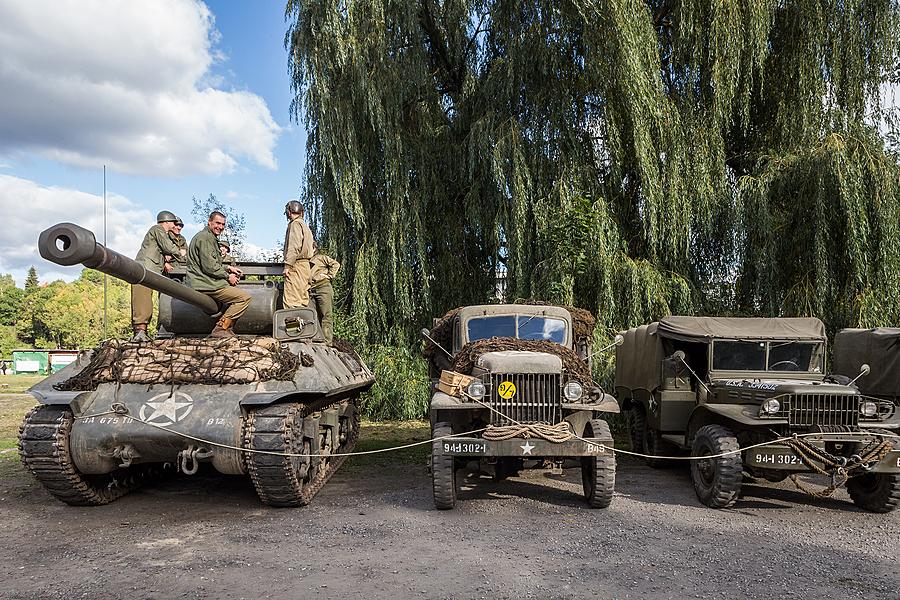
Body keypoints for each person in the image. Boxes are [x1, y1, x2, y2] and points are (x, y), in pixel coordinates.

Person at [186, 211, 252, 338]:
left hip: (205, 281)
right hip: (206, 283)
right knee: (243, 298)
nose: (220, 227)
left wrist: (228, 268)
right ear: (209, 222)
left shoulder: (208, 237)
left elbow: (210, 263)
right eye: (217, 223)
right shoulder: (205, 238)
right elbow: (210, 267)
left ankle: (226, 328)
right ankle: (221, 328)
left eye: (223, 224)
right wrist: (228, 276)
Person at [131, 210, 186, 341]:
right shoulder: (157, 229)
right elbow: (167, 246)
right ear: (166, 221)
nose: (175, 225)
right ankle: (140, 331)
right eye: (173, 223)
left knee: (151, 301)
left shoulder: (166, 234)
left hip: (152, 270)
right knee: (142, 299)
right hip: (145, 269)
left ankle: (144, 331)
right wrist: (180, 252)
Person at [282, 200, 314, 308]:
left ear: (289, 212)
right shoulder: (305, 226)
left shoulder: (295, 224)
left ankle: (293, 325)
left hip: (297, 266)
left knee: (292, 303)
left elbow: (294, 246)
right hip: (305, 267)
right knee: (302, 302)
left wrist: (287, 266)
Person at [308, 243, 340, 344]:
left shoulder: (321, 258)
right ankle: (314, 337)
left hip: (323, 287)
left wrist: (329, 275)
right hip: (310, 289)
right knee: (311, 315)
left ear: (314, 248)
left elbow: (336, 264)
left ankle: (327, 341)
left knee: (326, 314)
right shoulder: (304, 261)